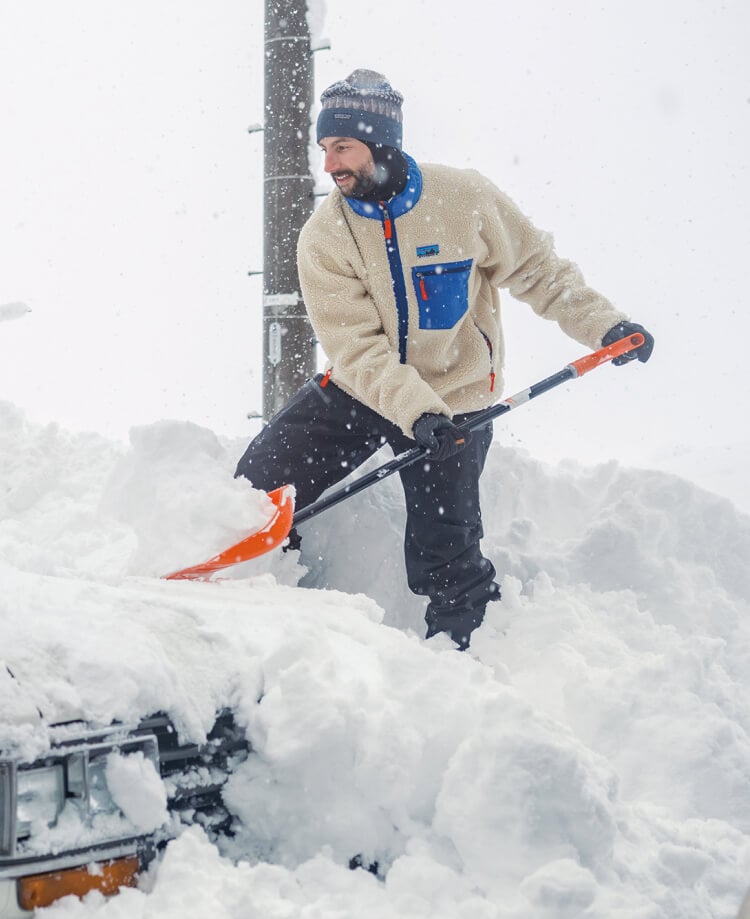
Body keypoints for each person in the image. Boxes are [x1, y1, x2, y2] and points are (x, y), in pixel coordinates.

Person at [235, 68, 654, 651]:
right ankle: (263, 604)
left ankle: (460, 654)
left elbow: (538, 269)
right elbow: (356, 347)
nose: (329, 164)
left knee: (446, 550)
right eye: (324, 148)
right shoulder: (325, 236)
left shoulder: (464, 199)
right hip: (364, 388)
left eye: (342, 146)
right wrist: (414, 410)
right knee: (255, 486)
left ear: (380, 141)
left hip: (456, 401)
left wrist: (603, 324)